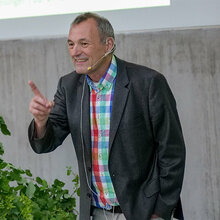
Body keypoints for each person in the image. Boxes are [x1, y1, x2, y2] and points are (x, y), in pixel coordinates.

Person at [28, 12, 186, 220]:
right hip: (96, 213)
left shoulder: (148, 83)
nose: (75, 52)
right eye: (71, 44)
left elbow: (172, 153)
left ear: (108, 44)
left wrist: (160, 212)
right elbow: (46, 143)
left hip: (144, 213)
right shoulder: (69, 86)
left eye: (84, 43)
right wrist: (41, 121)